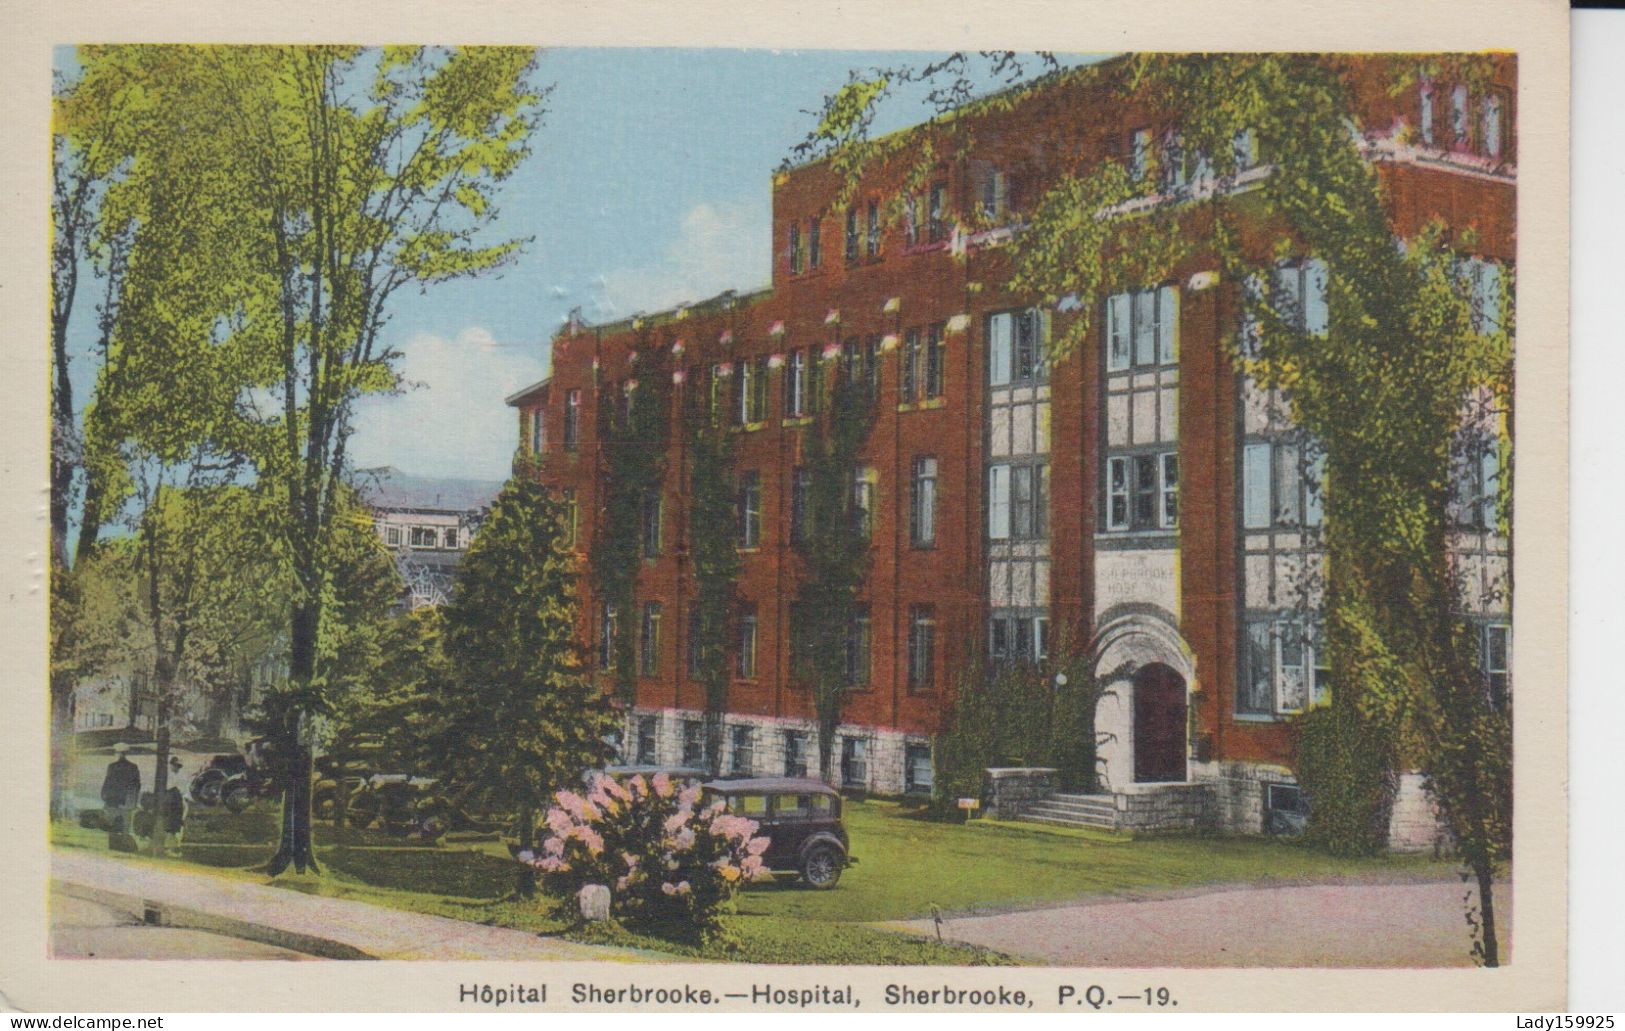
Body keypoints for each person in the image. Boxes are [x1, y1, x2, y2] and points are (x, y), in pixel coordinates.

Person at [99, 742, 141, 849]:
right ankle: (123, 846)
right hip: (126, 800)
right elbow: (136, 786)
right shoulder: (133, 767)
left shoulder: (112, 766)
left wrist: (104, 796)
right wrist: (133, 801)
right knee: (125, 825)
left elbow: (107, 783)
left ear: (118, 753)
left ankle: (113, 845)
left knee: (111, 823)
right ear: (126, 753)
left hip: (112, 800)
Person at [163, 756, 187, 839]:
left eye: (173, 765)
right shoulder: (171, 775)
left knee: (175, 817)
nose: (171, 767)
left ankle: (173, 834)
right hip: (171, 798)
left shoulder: (181, 776)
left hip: (177, 798)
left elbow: (182, 789)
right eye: (171, 765)